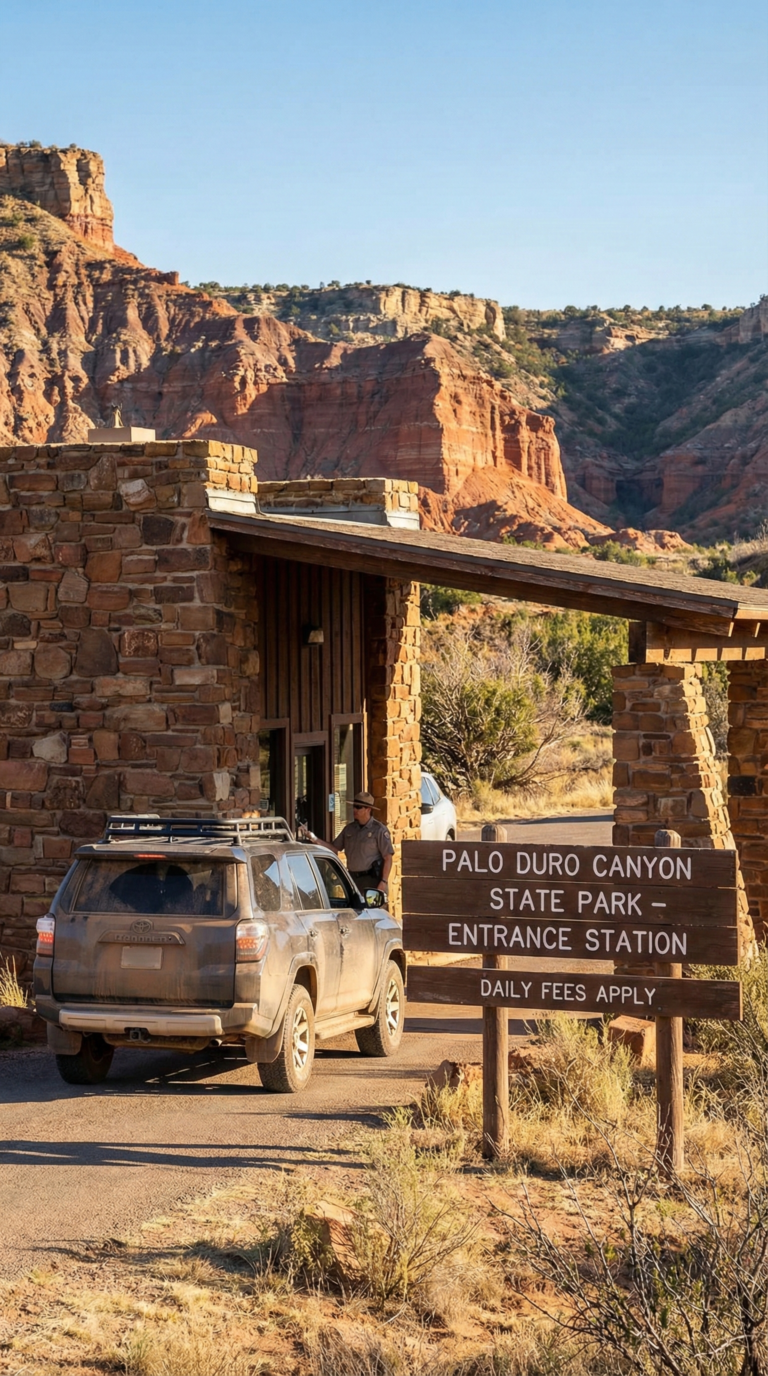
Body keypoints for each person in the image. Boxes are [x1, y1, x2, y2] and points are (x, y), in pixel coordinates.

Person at [329, 791, 394, 893]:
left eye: (358, 807)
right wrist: (313, 839)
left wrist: (383, 882)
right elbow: (334, 848)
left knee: (375, 909)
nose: (354, 809)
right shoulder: (349, 829)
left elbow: (388, 858)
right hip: (353, 880)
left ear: (368, 809)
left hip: (372, 881)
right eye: (354, 806)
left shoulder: (379, 830)